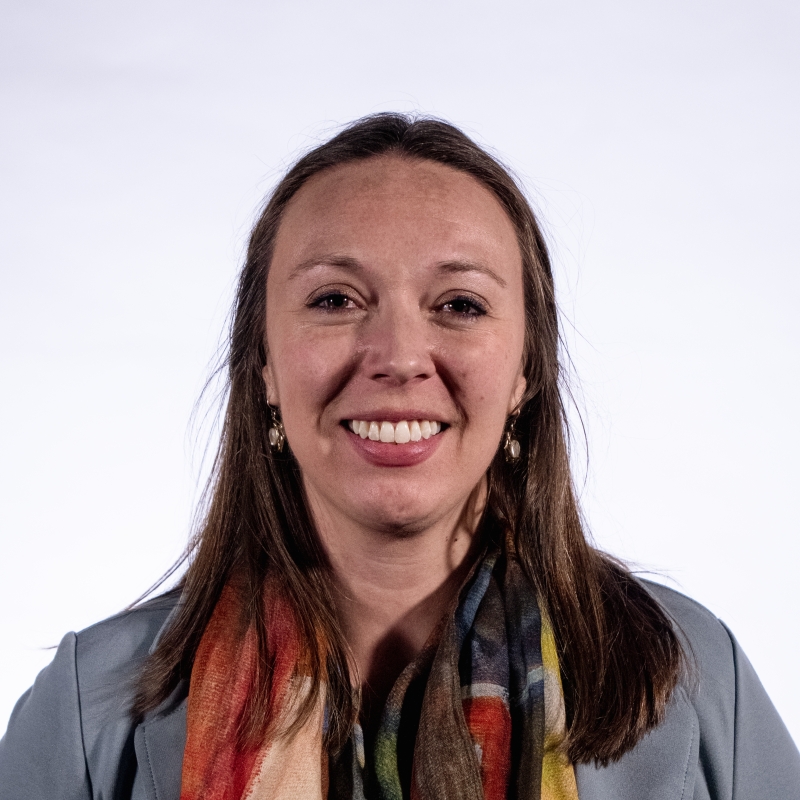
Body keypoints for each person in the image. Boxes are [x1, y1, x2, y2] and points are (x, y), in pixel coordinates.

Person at [1, 113, 798, 800]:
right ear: (264, 366)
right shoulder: (90, 707)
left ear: (525, 369)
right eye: (335, 300)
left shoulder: (697, 679)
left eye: (459, 305)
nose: (398, 356)